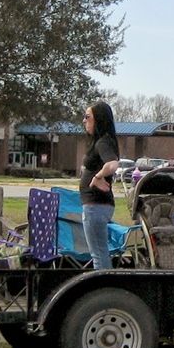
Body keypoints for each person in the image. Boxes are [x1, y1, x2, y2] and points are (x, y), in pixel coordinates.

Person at [79, 101, 120, 269]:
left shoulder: (103, 141)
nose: (84, 120)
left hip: (96, 206)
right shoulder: (99, 141)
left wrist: (97, 177)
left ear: (99, 120)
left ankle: (105, 289)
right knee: (99, 252)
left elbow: (113, 164)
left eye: (88, 117)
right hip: (97, 206)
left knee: (98, 253)